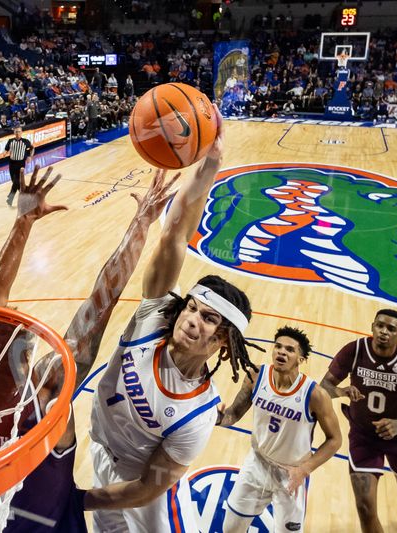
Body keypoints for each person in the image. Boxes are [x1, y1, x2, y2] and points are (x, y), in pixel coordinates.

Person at [0, 164, 180, 532]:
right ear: (21, 357)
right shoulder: (44, 393)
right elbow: (100, 303)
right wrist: (141, 222)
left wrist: (23, 224)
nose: (18, 320)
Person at [82, 107, 261, 533]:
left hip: (149, 501)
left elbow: (146, 489)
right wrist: (209, 167)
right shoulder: (154, 317)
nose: (193, 320)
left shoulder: (196, 414)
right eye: (194, 308)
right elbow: (175, 234)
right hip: (101, 458)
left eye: (209, 319)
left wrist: (74, 499)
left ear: (222, 342)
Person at [320, 309, 397, 533]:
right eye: (380, 326)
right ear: (372, 327)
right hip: (363, 436)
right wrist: (341, 391)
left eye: (391, 329)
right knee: (365, 508)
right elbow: (324, 387)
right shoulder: (355, 350)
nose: (384, 332)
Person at [218, 327, 342, 533]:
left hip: (291, 474)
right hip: (257, 464)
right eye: (278, 347)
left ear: (301, 359)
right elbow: (234, 413)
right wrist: (219, 418)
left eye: (290, 350)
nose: (282, 352)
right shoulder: (255, 376)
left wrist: (305, 469)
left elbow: (335, 440)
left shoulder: (315, 395)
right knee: (230, 528)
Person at [3, 127, 34, 206]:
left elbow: (32, 148)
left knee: (17, 181)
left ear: (21, 132)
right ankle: (24, 196)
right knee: (14, 181)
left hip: (21, 163)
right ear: (14, 132)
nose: (17, 133)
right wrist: (4, 153)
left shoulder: (25, 141)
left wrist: (30, 156)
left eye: (19, 132)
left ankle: (11, 197)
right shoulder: (10, 141)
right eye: (16, 132)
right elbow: (6, 149)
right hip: (12, 163)